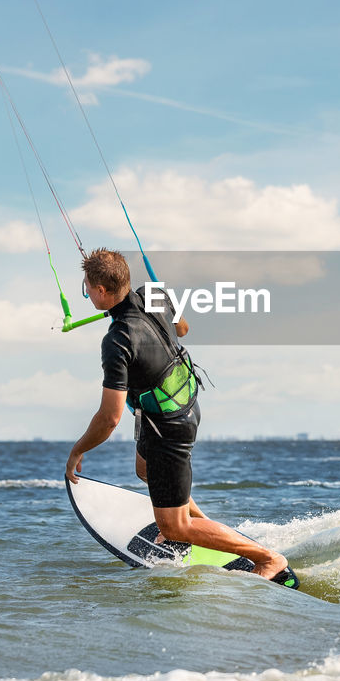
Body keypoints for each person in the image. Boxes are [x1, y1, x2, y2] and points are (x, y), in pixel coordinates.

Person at [64, 248, 288, 581]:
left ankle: (267, 558)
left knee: (175, 526)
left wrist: (77, 450)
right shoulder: (153, 294)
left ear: (101, 292)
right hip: (178, 406)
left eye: (87, 286)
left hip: (168, 429)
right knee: (144, 469)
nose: (86, 291)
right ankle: (197, 521)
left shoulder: (118, 340)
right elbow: (183, 328)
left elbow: (110, 418)